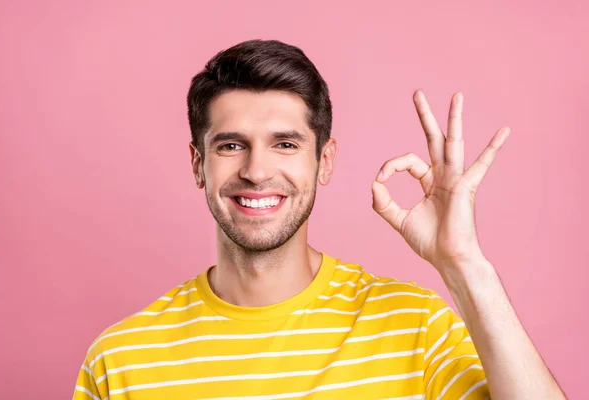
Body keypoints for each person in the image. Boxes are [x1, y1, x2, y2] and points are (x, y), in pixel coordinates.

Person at [73, 39, 565, 400]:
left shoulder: (418, 327)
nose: (256, 170)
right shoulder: (120, 361)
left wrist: (465, 265)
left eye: (285, 144)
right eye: (230, 145)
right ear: (199, 164)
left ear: (324, 161)